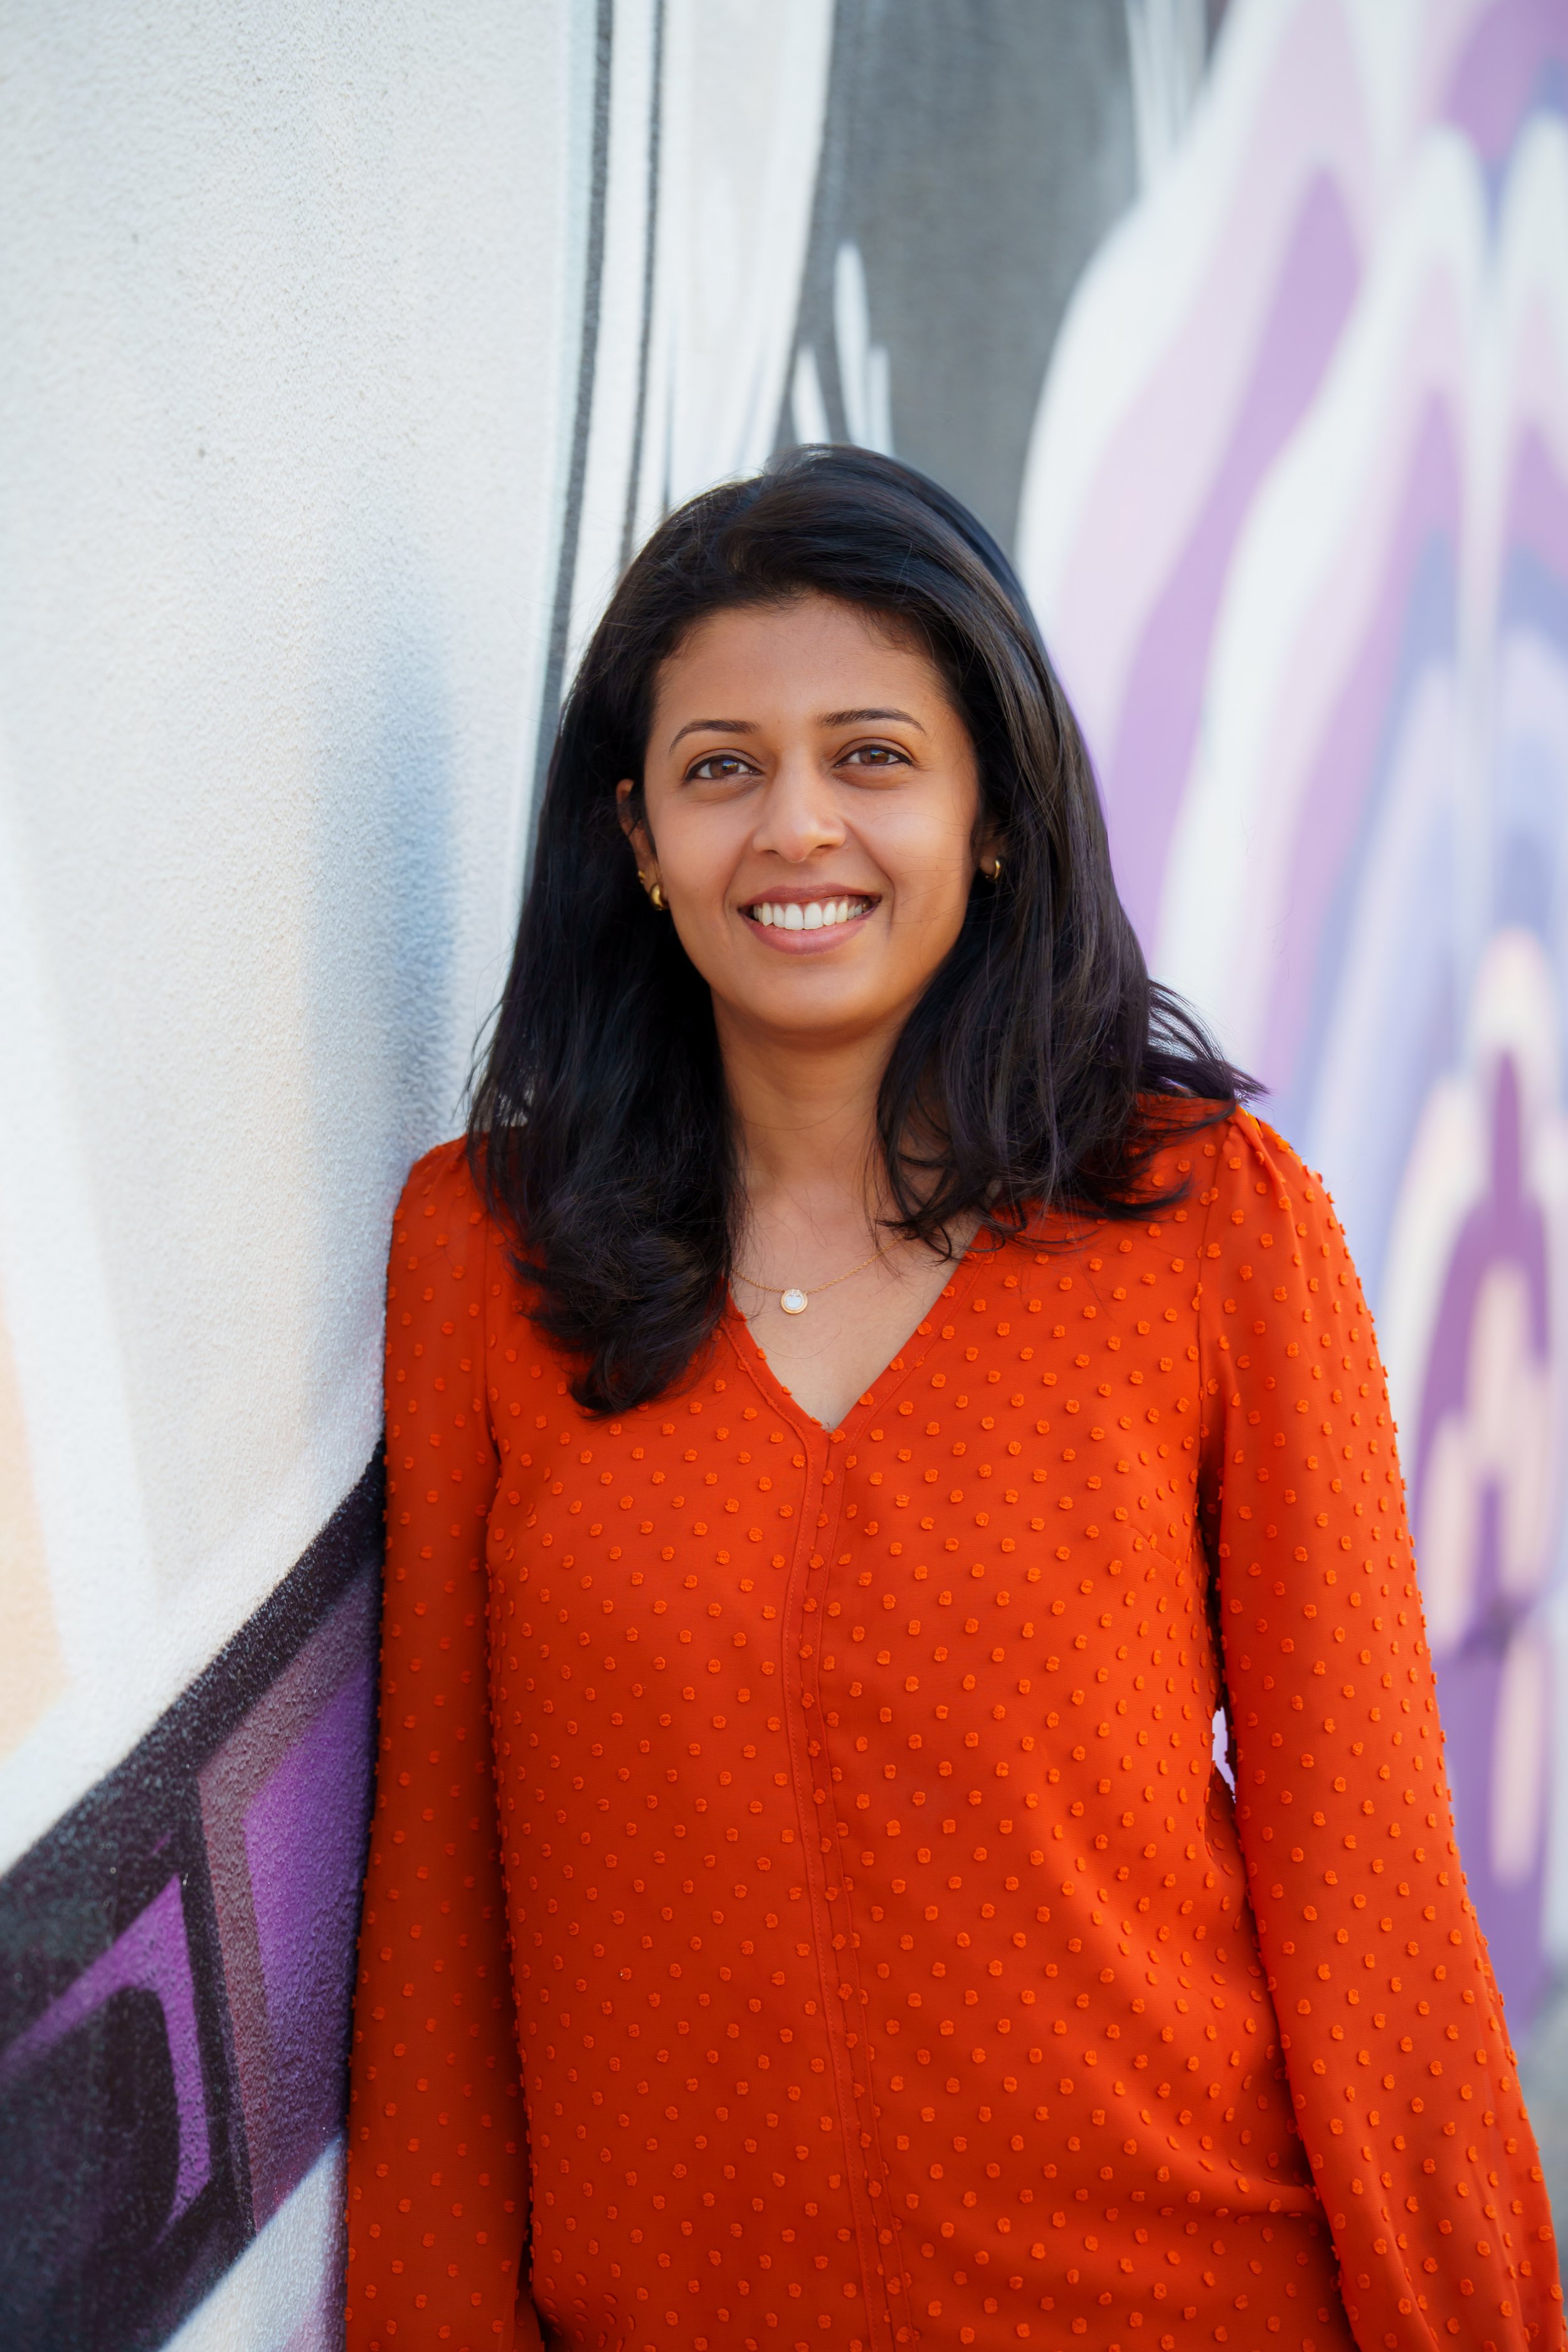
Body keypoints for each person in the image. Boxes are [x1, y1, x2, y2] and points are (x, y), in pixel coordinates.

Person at [344, 447, 1562, 2352]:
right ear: (640, 841)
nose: (794, 827)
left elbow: (1372, 1896)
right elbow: (438, 1909)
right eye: (722, 766)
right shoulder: (480, 1258)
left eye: (873, 756)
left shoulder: (1208, 1227)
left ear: (991, 812)